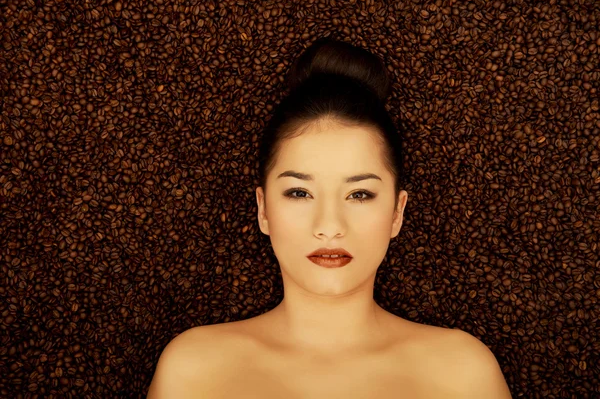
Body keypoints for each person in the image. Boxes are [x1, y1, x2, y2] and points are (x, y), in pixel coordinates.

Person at [147, 37, 512, 398]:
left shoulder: (462, 372)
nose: (329, 227)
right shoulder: (195, 369)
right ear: (263, 209)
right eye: (300, 193)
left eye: (359, 194)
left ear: (398, 212)